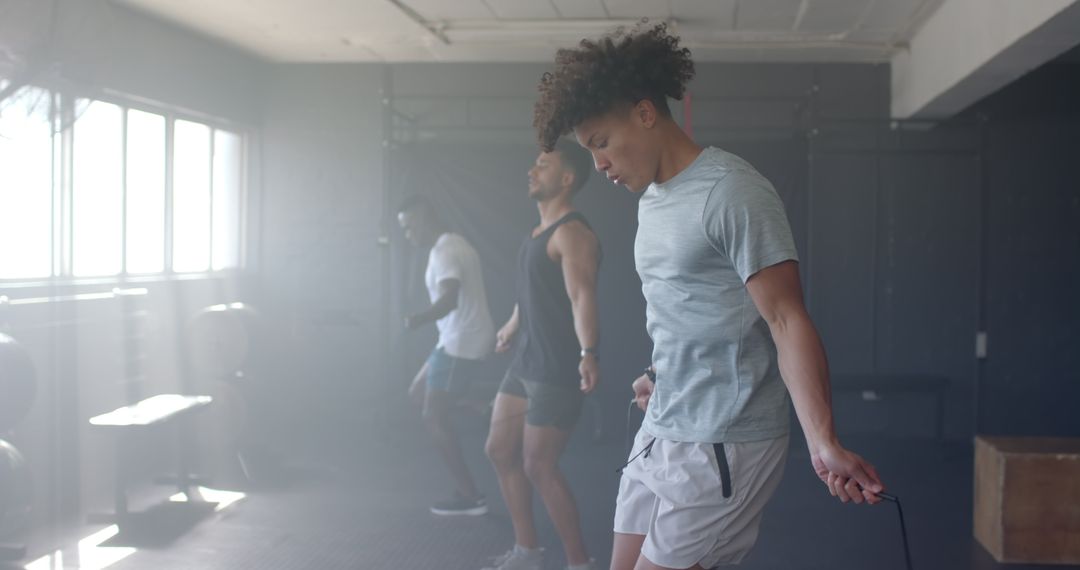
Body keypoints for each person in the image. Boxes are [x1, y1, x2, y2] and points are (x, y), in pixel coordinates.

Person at [532, 23, 888, 570]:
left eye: (601, 142)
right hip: (665, 423)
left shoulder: (732, 191)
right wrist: (662, 372)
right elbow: (691, 304)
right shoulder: (651, 198)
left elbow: (786, 319)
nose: (598, 164)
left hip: (724, 439)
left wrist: (822, 442)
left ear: (645, 113)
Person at [482, 142, 601, 570]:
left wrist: (589, 352)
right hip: (525, 363)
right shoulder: (537, 233)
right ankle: (528, 551)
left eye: (543, 165)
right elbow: (532, 293)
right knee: (499, 449)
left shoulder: (572, 232)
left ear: (566, 179)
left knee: (539, 466)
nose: (532, 171)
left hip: (555, 369)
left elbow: (581, 294)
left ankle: (579, 562)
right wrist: (513, 325)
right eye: (534, 163)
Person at [398, 195, 496, 516]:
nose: (408, 234)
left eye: (410, 227)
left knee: (433, 416)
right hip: (452, 339)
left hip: (461, 342)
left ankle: (470, 496)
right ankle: (485, 407)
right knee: (417, 393)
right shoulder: (455, 244)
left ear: (424, 217)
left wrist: (417, 320)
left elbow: (450, 298)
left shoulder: (445, 250)